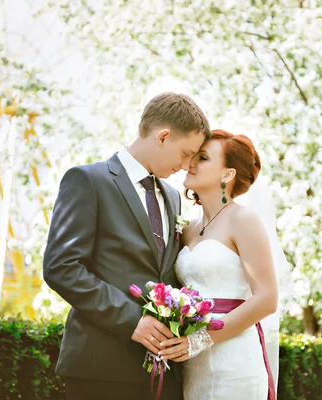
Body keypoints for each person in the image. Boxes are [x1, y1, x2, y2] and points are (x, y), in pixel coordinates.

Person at [42, 92, 211, 400]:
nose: (187, 165)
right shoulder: (87, 180)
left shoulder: (172, 197)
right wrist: (132, 320)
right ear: (163, 137)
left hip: (163, 372)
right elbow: (61, 267)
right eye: (187, 153)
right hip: (100, 368)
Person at [159, 129, 280, 400]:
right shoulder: (188, 228)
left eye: (202, 158)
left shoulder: (243, 220)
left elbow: (267, 299)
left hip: (234, 362)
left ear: (227, 174)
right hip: (193, 365)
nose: (190, 163)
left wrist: (200, 339)